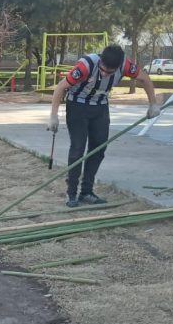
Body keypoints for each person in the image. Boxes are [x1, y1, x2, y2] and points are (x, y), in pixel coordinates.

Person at [48, 45, 161, 207]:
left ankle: (86, 191)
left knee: (99, 148)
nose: (105, 74)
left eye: (110, 72)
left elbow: (144, 79)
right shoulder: (86, 65)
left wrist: (153, 104)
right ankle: (71, 193)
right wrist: (53, 116)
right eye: (103, 70)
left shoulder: (125, 65)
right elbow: (61, 87)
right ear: (100, 61)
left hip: (100, 107)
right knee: (77, 149)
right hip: (77, 106)